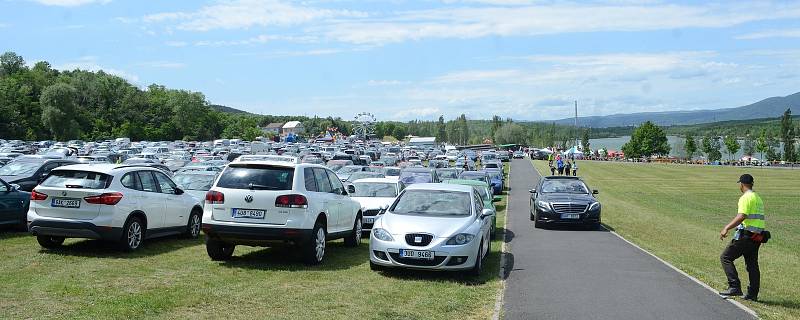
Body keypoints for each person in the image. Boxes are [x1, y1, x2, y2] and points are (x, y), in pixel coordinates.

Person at [718, 174, 766, 301]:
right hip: (757, 237)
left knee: (726, 257)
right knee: (752, 265)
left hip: (746, 236)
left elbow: (742, 216)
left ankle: (734, 287)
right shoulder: (757, 197)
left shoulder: (746, 198)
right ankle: (752, 294)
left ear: (742, 184)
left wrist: (726, 227)